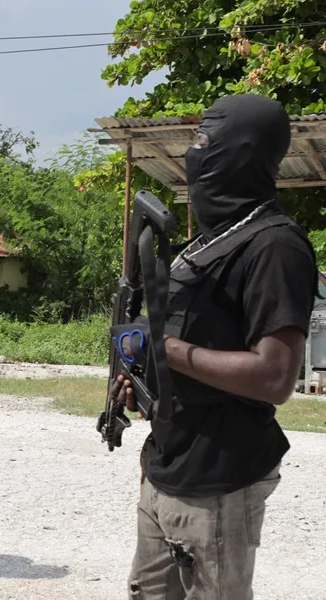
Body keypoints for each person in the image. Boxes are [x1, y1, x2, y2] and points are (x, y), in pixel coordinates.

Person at [110, 94, 320, 600]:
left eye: (206, 140)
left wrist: (167, 351)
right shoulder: (205, 242)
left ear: (242, 151)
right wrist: (143, 380)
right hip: (166, 464)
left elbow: (274, 377)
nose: (194, 152)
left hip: (220, 479)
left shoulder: (275, 247)